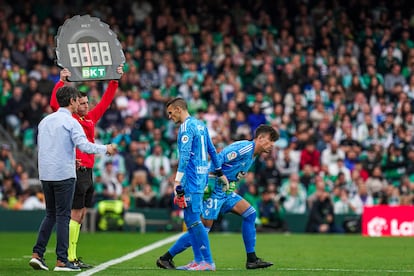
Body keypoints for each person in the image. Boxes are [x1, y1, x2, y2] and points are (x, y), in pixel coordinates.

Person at [157, 124, 278, 270]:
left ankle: (252, 259)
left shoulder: (254, 155)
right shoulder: (244, 148)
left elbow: (231, 170)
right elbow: (217, 160)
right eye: (270, 140)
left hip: (225, 192)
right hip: (214, 191)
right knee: (202, 230)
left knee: (250, 214)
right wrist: (210, 184)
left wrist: (231, 183)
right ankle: (166, 258)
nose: (272, 145)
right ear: (260, 138)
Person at [29, 86, 117, 272]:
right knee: (63, 216)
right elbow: (84, 145)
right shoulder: (71, 122)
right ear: (71, 101)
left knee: (50, 215)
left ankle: (38, 254)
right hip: (64, 174)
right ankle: (62, 260)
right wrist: (105, 148)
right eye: (77, 100)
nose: (79, 103)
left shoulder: (44, 121)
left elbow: (46, 148)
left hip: (46, 174)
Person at [49, 65, 124, 268]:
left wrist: (115, 80)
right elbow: (55, 103)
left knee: (81, 214)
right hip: (77, 169)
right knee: (75, 213)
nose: (86, 106)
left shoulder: (90, 117)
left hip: (88, 170)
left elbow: (106, 102)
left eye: (87, 102)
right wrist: (61, 82)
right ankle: (69, 257)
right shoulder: (70, 117)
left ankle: (73, 254)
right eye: (82, 103)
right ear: (74, 104)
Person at [162, 97, 229, 271]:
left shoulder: (185, 128)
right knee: (190, 219)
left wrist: (177, 180)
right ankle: (198, 260)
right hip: (202, 177)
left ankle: (207, 261)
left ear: (178, 109)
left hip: (191, 180)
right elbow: (212, 150)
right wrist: (220, 173)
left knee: (193, 220)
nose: (170, 117)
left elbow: (184, 156)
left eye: (170, 113)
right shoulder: (200, 124)